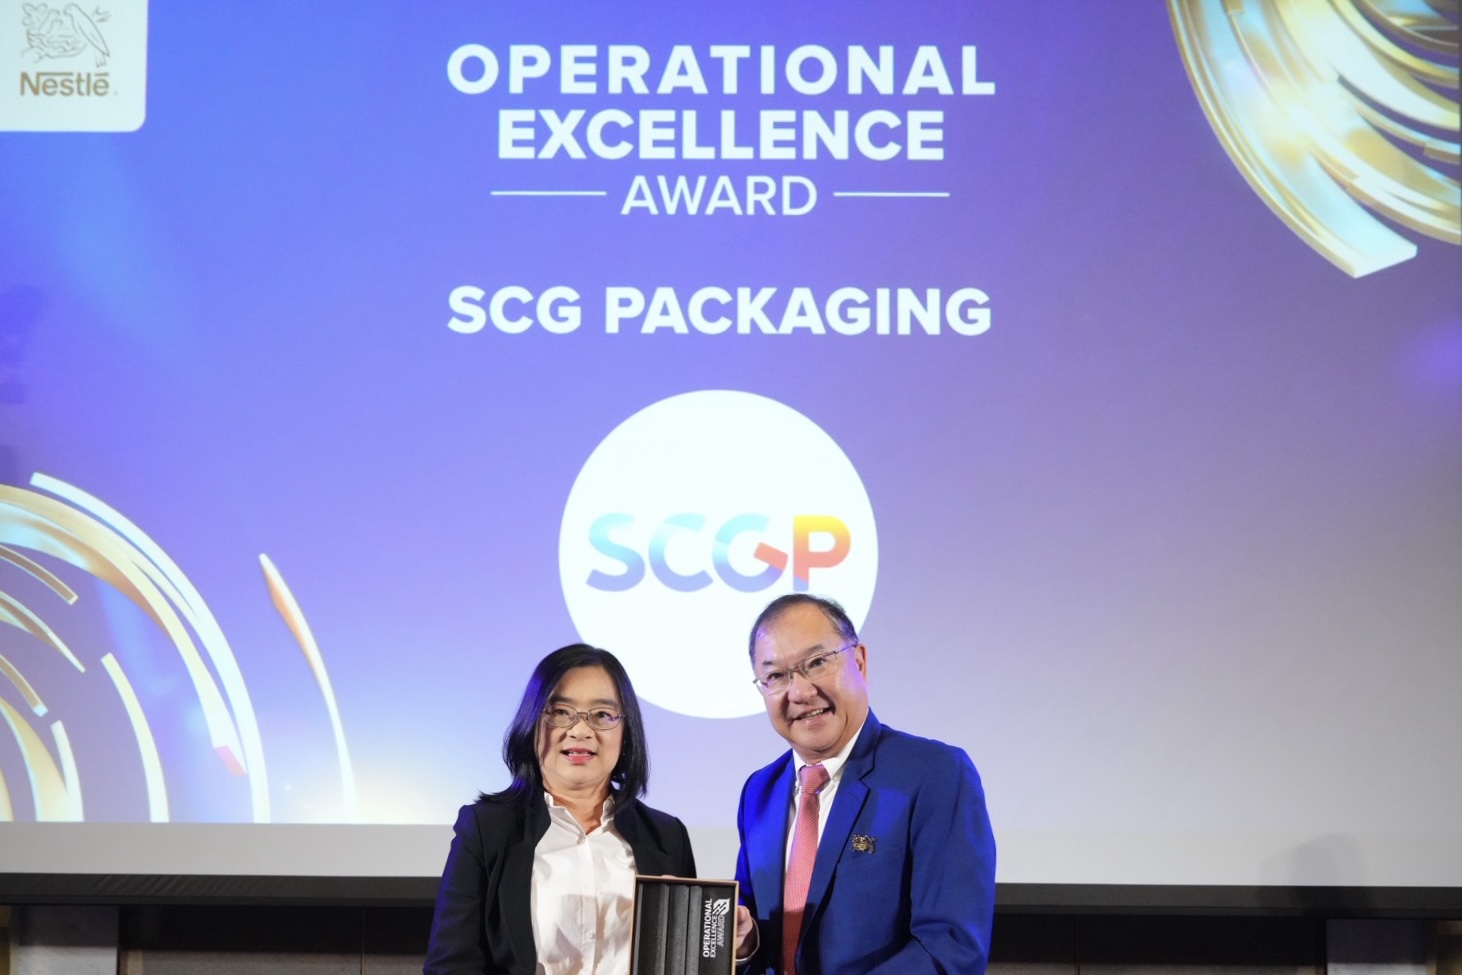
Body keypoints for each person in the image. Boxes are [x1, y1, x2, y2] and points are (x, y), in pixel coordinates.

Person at [731, 594, 996, 975]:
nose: (800, 692)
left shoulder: (934, 773)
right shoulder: (760, 791)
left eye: (817, 663)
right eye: (775, 676)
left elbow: (951, 948)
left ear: (859, 662)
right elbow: (755, 930)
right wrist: (745, 942)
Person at [424, 644, 697, 975]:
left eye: (602, 715)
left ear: (626, 731)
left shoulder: (667, 837)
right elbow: (451, 965)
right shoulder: (486, 829)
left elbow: (690, 962)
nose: (580, 731)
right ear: (532, 722)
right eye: (561, 712)